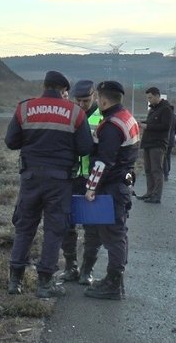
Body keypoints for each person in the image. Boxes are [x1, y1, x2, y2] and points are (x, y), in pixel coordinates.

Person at [4, 71, 94, 298]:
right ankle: (45, 284)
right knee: (54, 230)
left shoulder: (24, 108)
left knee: (25, 227)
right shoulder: (75, 113)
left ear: (44, 86)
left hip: (31, 178)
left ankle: (15, 281)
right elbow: (85, 148)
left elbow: (11, 142)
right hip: (60, 181)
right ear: (64, 91)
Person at [80, 81, 140, 300]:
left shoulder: (111, 125)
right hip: (122, 184)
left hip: (112, 188)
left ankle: (114, 284)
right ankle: (114, 280)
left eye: (97, 99)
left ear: (103, 100)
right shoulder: (127, 117)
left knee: (113, 236)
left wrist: (90, 188)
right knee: (118, 234)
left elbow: (103, 162)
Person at [59, 79, 104, 283]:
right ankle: (71, 267)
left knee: (92, 227)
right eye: (78, 101)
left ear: (94, 96)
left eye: (85, 100)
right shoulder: (69, 113)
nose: (82, 104)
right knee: (67, 224)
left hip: (92, 180)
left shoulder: (102, 117)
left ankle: (87, 270)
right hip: (71, 177)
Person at [138, 87, 172, 203]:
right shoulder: (152, 109)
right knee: (148, 169)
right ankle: (149, 192)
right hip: (148, 143)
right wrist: (143, 124)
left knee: (156, 170)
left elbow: (166, 126)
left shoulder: (166, 109)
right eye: (148, 98)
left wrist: (147, 126)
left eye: (150, 98)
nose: (149, 100)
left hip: (158, 144)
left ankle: (156, 196)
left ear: (157, 96)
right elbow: (151, 123)